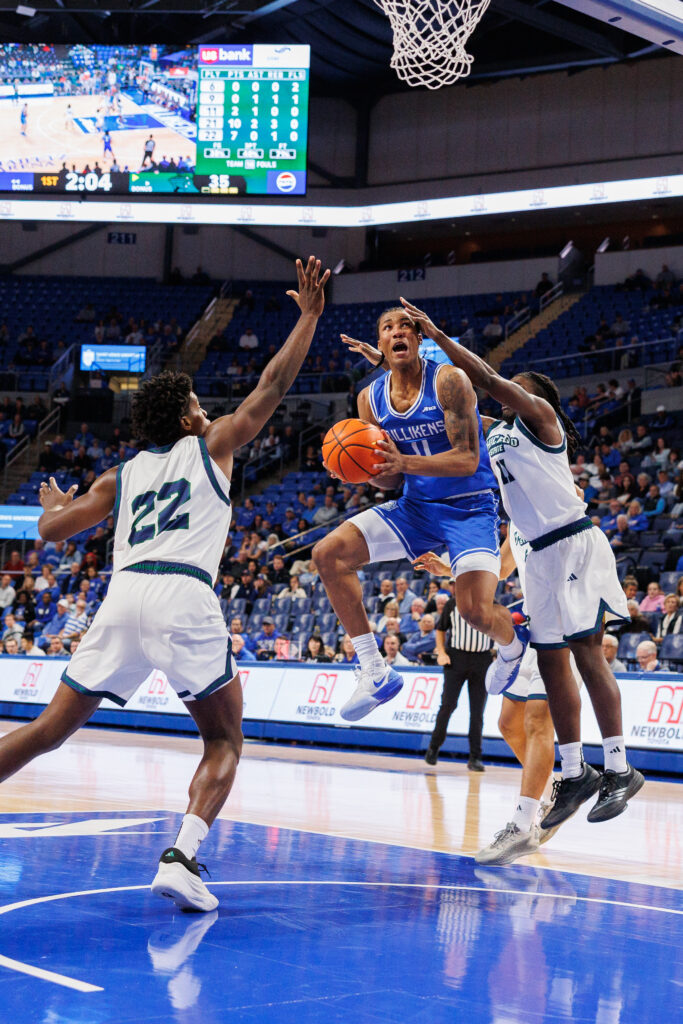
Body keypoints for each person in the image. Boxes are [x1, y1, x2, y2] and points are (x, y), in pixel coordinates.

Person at [0, 256, 329, 913]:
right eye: (199, 406)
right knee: (224, 739)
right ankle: (181, 857)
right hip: (182, 594)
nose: (208, 412)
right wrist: (310, 316)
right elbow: (271, 383)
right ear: (185, 421)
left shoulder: (117, 477)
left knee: (47, 731)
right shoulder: (212, 447)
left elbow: (52, 531)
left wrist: (48, 502)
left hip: (122, 598)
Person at [389, 297, 644, 826]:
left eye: (519, 386)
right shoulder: (497, 433)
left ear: (536, 396)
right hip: (537, 554)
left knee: (586, 653)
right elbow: (448, 403)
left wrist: (435, 333)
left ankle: (620, 767)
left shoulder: (543, 420)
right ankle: (575, 772)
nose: (512, 390)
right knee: (551, 662)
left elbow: (477, 376)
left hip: (571, 541)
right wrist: (394, 360)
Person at [314, 311, 526, 723]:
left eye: (403, 325)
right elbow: (391, 480)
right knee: (328, 554)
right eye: (387, 327)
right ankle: (374, 670)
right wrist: (361, 471)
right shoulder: (368, 399)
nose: (396, 331)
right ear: (380, 341)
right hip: (416, 509)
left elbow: (467, 459)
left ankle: (514, 647)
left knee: (474, 611)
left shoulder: (448, 380)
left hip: (470, 505)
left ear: (417, 336)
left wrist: (402, 463)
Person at [416, 574, 492, 773]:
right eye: (453, 584)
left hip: (481, 659)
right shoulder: (451, 604)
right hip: (456, 658)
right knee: (448, 705)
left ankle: (475, 756)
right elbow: (440, 630)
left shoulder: (490, 602)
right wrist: (441, 652)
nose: (454, 587)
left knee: (477, 712)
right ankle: (434, 747)